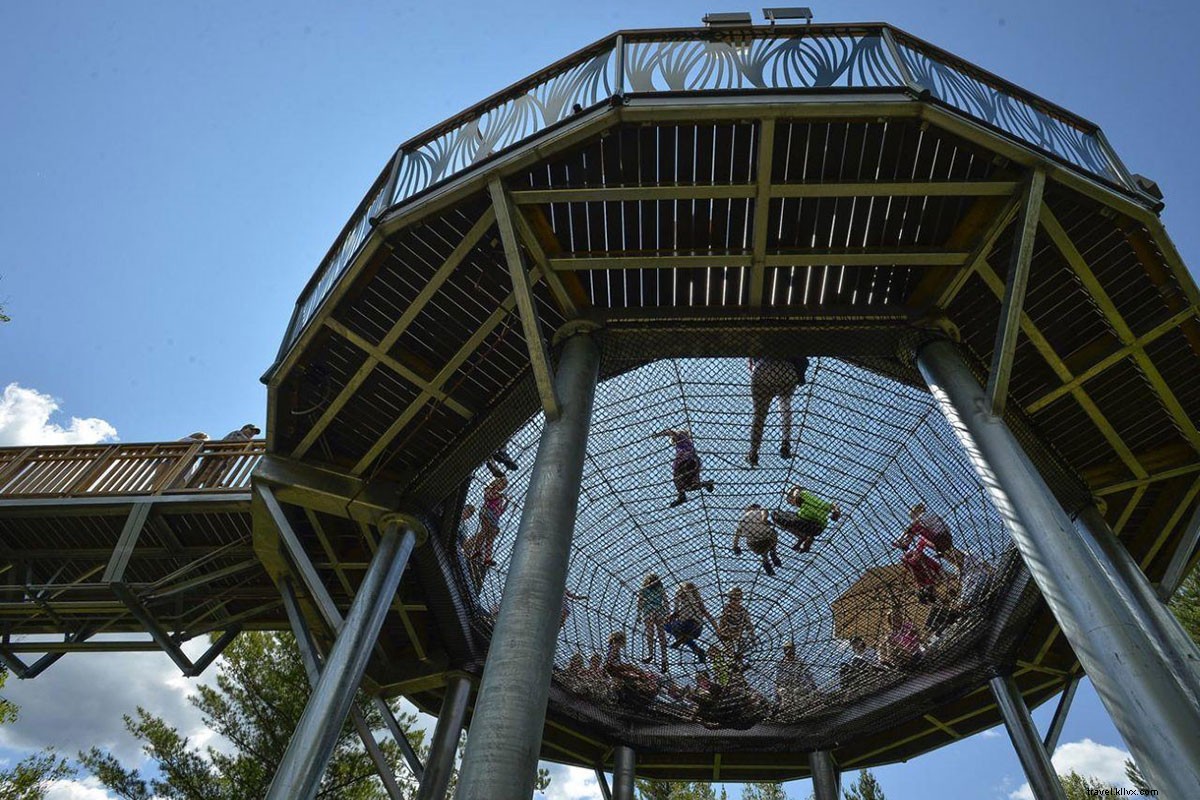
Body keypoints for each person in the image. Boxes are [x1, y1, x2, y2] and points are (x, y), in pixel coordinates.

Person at [746, 357, 808, 467]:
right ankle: (785, 443)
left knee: (759, 414)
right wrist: (800, 376)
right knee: (785, 405)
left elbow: (751, 363)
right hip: (787, 368)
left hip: (763, 366)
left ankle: (753, 452)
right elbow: (803, 361)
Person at [651, 428, 715, 507]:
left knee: (677, 477)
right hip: (694, 462)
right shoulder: (688, 442)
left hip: (684, 461)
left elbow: (670, 432)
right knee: (690, 485)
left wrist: (658, 434)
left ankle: (682, 495)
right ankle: (706, 484)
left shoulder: (680, 436)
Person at [772, 485, 841, 553]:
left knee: (776, 514)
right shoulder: (807, 506)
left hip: (809, 525)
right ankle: (804, 537)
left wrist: (796, 494)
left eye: (791, 502)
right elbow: (832, 505)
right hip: (816, 529)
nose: (793, 505)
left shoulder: (804, 495)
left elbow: (797, 492)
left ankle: (802, 536)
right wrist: (835, 511)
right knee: (789, 517)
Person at [187, 424, 260, 488]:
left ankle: (207, 490)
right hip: (215, 457)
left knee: (215, 476)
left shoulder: (245, 440)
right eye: (251, 430)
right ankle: (189, 490)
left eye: (254, 433)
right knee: (203, 474)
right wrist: (253, 445)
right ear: (244, 428)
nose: (252, 433)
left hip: (224, 460)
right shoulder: (237, 433)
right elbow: (238, 440)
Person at [894, 503, 962, 569]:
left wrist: (900, 539)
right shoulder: (928, 516)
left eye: (913, 516)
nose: (914, 518)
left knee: (917, 527)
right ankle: (914, 558)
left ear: (918, 511)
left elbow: (912, 526)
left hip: (941, 538)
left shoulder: (924, 515)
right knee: (922, 540)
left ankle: (906, 544)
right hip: (943, 541)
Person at [664, 581, 716, 662]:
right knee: (682, 635)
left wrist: (677, 602)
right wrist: (718, 630)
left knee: (670, 627)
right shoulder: (697, 605)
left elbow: (676, 609)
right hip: (695, 630)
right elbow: (710, 618)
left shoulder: (690, 601)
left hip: (689, 626)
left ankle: (682, 638)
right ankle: (697, 650)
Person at [733, 503, 783, 576]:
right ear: (755, 508)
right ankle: (773, 552)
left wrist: (735, 547)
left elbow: (736, 537)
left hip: (755, 545)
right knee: (774, 532)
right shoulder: (761, 511)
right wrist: (765, 521)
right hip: (768, 539)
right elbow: (764, 517)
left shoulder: (741, 521)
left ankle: (765, 559)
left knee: (755, 543)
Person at [636, 574, 670, 671]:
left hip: (650, 611)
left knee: (653, 633)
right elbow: (666, 601)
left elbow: (640, 602)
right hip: (657, 611)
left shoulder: (647, 589)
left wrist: (638, 615)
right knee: (659, 634)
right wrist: (668, 613)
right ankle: (661, 656)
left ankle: (655, 654)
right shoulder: (654, 589)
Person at [774, 642, 816, 709]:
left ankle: (801, 707)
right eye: (787, 649)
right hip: (786, 686)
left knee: (797, 692)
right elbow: (777, 680)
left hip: (798, 684)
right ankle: (786, 708)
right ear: (784, 651)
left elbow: (808, 675)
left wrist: (813, 686)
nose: (789, 651)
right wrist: (777, 693)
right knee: (783, 692)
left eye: (791, 649)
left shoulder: (799, 662)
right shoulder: (780, 664)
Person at [716, 587, 755, 658]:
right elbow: (722, 621)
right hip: (727, 634)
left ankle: (739, 662)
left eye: (736, 599)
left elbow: (749, 624)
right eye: (731, 599)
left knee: (741, 647)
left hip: (738, 635)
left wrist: (752, 636)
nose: (733, 601)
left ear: (740, 600)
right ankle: (730, 661)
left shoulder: (743, 611)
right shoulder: (727, 609)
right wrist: (720, 632)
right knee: (728, 650)